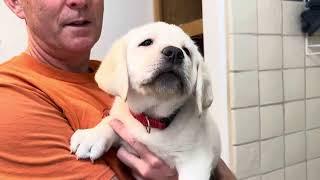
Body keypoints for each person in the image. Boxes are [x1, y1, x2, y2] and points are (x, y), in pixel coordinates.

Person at [0, 0, 236, 179]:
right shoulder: (11, 97)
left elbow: (213, 162)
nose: (80, 1)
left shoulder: (116, 77)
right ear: (15, 2)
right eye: (147, 43)